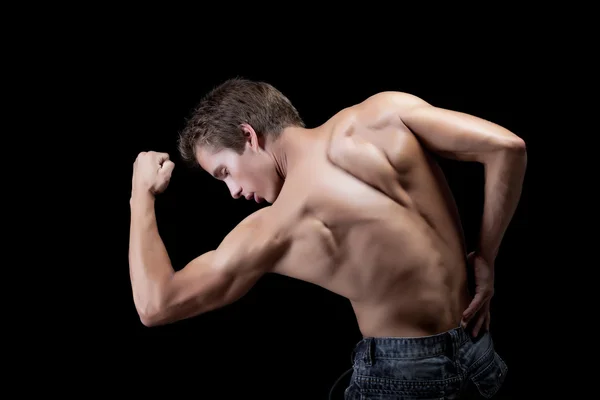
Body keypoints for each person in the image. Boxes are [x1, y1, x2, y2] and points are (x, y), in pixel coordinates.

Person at [129, 78, 527, 399]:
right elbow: (507, 148)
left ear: (249, 135)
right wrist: (486, 258)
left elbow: (156, 304)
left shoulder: (278, 225)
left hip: (402, 379)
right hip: (479, 357)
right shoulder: (383, 113)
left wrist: (140, 196)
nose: (232, 191)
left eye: (224, 172)